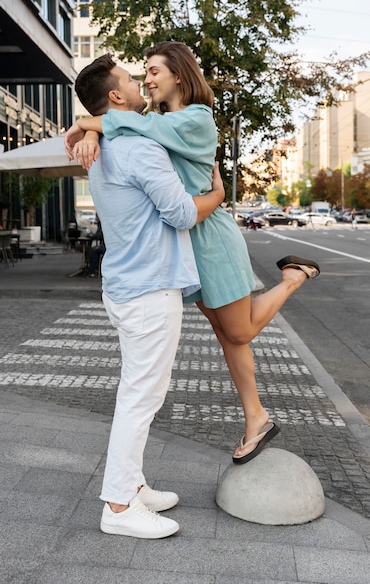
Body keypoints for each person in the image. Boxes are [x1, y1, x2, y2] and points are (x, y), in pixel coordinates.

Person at [65, 41, 320, 465]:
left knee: (239, 332)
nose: (145, 80)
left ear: (179, 75)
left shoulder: (197, 120)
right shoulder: (155, 118)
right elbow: (126, 124)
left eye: (152, 72)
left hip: (209, 236)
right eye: (141, 74)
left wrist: (84, 122)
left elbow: (133, 127)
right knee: (226, 336)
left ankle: (294, 277)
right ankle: (255, 418)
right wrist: (91, 129)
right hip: (183, 243)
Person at [72, 54, 224, 539]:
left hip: (126, 284)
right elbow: (181, 213)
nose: (141, 85)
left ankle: (133, 487)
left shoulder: (110, 144)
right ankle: (118, 506)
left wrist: (91, 127)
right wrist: (217, 195)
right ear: (116, 98)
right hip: (150, 288)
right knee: (140, 398)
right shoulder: (139, 148)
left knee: (138, 393)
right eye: (132, 81)